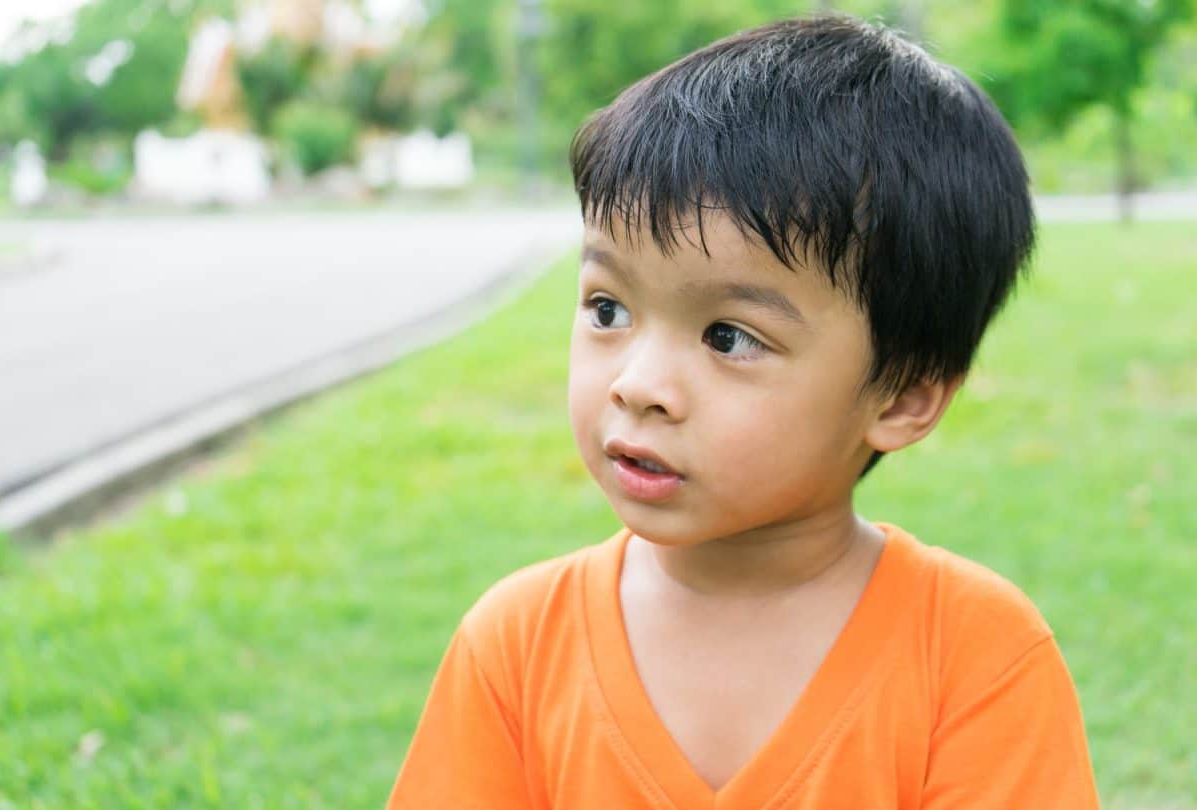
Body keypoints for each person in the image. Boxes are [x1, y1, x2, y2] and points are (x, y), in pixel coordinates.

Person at [386, 14, 1100, 809]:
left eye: (729, 336)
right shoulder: (516, 647)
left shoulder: (974, 657)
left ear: (903, 395)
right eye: (608, 308)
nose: (637, 383)